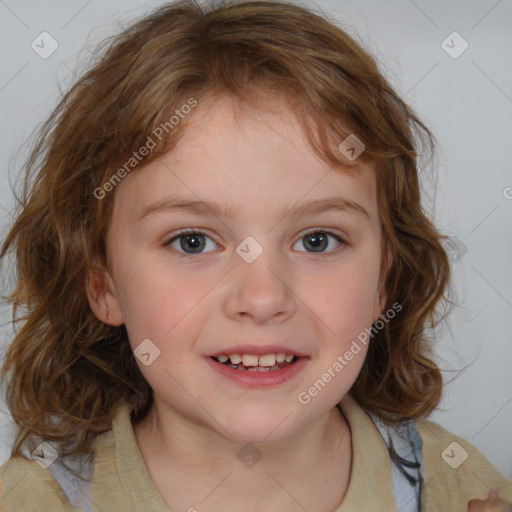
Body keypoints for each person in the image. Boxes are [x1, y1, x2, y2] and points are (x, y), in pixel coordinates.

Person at [0, 1, 510, 511]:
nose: (263, 298)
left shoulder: (457, 488)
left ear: (384, 279)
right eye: (192, 241)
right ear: (103, 285)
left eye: (318, 240)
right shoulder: (32, 500)